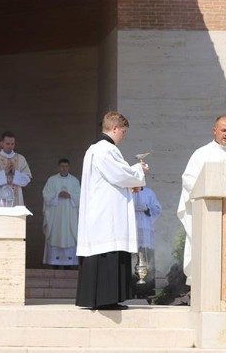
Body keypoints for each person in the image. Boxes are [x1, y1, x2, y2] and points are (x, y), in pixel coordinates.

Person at [75, 111, 147, 310]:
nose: (124, 136)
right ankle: (106, 299)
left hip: (103, 211)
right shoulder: (105, 149)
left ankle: (106, 299)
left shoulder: (96, 149)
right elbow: (119, 175)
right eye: (123, 132)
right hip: (107, 215)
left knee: (105, 253)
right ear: (115, 128)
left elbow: (116, 176)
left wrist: (132, 177)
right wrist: (139, 170)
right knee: (108, 251)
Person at [177, 115, 226, 284]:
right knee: (210, 252)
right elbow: (188, 179)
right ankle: (208, 284)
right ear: (214, 131)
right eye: (223, 130)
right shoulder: (202, 154)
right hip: (209, 214)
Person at [42, 158, 80, 268]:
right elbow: (46, 195)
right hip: (56, 217)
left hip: (69, 217)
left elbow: (80, 197)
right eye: (62, 166)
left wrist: (71, 196)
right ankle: (55, 265)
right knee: (55, 235)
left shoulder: (74, 181)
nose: (64, 168)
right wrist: (57, 195)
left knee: (70, 236)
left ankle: (69, 266)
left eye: (66, 166)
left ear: (69, 167)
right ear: (59, 167)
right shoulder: (52, 180)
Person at [0, 131, 32, 206]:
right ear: (2, 143)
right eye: (7, 144)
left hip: (16, 198)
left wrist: (15, 173)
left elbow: (27, 178)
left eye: (12, 144)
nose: (10, 146)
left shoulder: (21, 158)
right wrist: (4, 172)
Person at [132, 186, 162, 286]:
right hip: (132, 228)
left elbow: (157, 208)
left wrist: (147, 208)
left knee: (146, 256)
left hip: (145, 229)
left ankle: (148, 285)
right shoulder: (127, 191)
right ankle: (131, 284)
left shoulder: (149, 192)